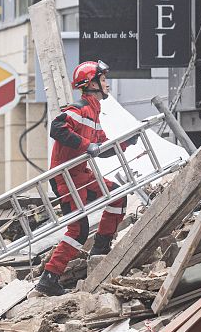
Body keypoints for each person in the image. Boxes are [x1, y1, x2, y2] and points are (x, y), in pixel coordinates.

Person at [35, 60, 139, 297]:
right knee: (78, 230)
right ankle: (49, 279)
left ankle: (100, 251)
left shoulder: (94, 113)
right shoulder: (79, 109)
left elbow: (100, 148)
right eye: (103, 80)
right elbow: (57, 128)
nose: (107, 84)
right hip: (66, 179)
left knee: (118, 196)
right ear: (91, 83)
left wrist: (126, 142)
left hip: (81, 175)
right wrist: (86, 145)